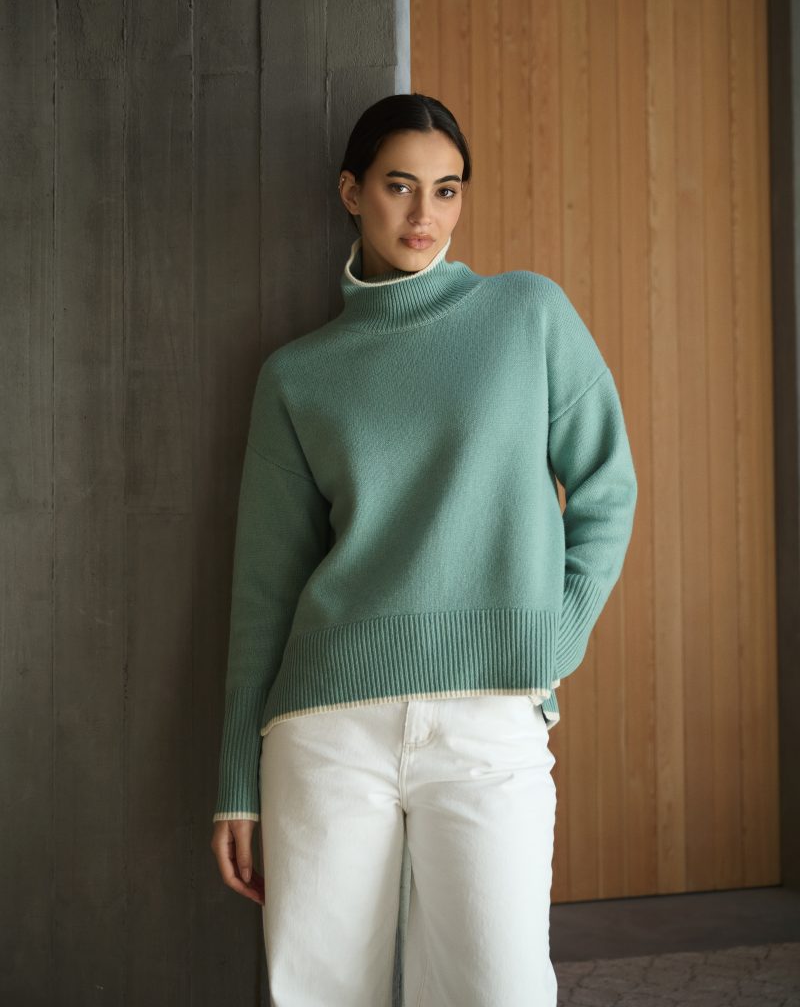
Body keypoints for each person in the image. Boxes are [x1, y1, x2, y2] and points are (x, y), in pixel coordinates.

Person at [210, 93, 638, 1006]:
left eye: (447, 191)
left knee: (502, 990)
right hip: (325, 733)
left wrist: (553, 634)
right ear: (351, 192)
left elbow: (609, 487)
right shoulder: (296, 374)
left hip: (491, 726)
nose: (424, 215)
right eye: (400, 187)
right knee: (321, 994)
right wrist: (236, 784)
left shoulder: (526, 313)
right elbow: (263, 590)